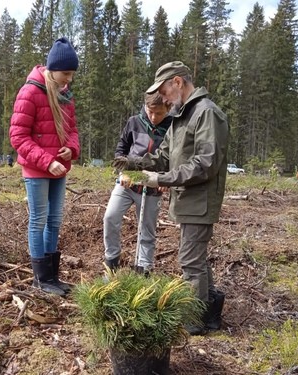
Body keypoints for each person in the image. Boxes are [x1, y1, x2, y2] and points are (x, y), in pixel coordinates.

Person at [113, 61, 229, 335]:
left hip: (200, 201)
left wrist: (160, 179)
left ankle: (194, 321)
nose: (162, 100)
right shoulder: (181, 117)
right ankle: (210, 314)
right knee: (195, 260)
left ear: (177, 82)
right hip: (188, 201)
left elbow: (205, 163)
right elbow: (164, 156)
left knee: (190, 262)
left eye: (163, 91)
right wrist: (133, 163)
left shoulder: (206, 114)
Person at [9, 37, 80, 297]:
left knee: (55, 220)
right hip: (38, 169)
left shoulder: (65, 96)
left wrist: (70, 150)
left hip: (59, 169)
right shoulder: (29, 92)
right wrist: (47, 160)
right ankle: (40, 280)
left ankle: (52, 277)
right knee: (38, 220)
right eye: (66, 73)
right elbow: (18, 137)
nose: (69, 79)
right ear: (52, 69)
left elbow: (72, 130)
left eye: (72, 74)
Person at [103, 92, 172, 274]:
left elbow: (172, 158)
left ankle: (144, 271)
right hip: (128, 181)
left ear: (168, 108)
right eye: (150, 112)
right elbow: (121, 149)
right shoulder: (134, 121)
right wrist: (123, 171)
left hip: (152, 184)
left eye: (159, 113)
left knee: (146, 231)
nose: (154, 117)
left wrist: (166, 179)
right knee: (110, 217)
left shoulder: (172, 127)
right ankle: (111, 264)